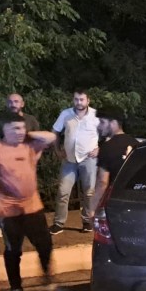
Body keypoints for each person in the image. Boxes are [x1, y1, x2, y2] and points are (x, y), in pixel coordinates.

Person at [0, 114, 64, 291]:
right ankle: (16, 289)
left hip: (33, 206)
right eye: (15, 128)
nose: (20, 132)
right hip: (9, 210)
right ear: (4, 129)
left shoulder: (29, 145)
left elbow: (51, 137)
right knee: (13, 250)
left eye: (22, 128)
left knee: (45, 245)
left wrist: (27, 134)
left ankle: (48, 281)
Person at [50, 89, 99, 235]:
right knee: (63, 191)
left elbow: (108, 132)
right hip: (69, 159)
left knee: (89, 192)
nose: (79, 102)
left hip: (89, 159)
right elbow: (55, 131)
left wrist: (100, 148)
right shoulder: (66, 114)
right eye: (76, 99)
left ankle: (87, 221)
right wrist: (57, 150)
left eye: (82, 99)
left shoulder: (96, 115)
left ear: (88, 100)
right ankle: (58, 223)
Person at [0, 93, 40, 239]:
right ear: (7, 104)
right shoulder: (2, 121)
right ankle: (2, 227)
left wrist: (34, 160)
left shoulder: (31, 120)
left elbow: (38, 142)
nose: (13, 104)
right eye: (11, 102)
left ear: (22, 104)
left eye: (16, 101)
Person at [95, 107, 139, 192]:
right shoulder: (136, 144)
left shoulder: (107, 148)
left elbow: (102, 183)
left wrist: (93, 201)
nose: (99, 126)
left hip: (115, 196)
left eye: (102, 122)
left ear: (113, 123)